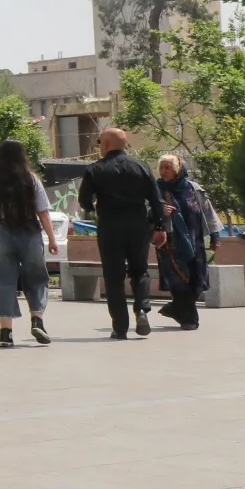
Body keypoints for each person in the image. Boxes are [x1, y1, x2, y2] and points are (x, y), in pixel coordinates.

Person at [79, 127, 163, 339]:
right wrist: (160, 227)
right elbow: (156, 200)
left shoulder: (95, 169)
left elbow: (84, 200)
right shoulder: (141, 167)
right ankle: (142, 310)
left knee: (113, 276)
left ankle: (120, 327)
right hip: (138, 225)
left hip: (110, 226)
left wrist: (95, 206)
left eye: (100, 142)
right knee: (140, 270)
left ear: (106, 144)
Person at [0, 139, 56, 347]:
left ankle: (6, 333)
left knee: (2, 280)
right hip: (29, 231)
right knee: (36, 277)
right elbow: (43, 213)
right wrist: (52, 239)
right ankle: (37, 320)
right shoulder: (31, 179)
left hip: (2, 231)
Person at [156, 155, 215, 330]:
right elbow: (145, 210)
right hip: (170, 244)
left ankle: (175, 308)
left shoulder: (193, 189)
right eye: (161, 168)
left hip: (196, 242)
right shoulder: (156, 190)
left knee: (197, 281)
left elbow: (208, 213)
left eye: (167, 167)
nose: (163, 171)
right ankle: (190, 320)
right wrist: (160, 210)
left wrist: (215, 236)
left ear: (177, 169)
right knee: (180, 281)